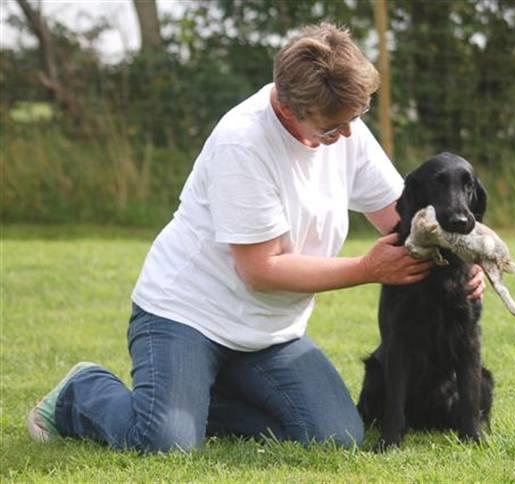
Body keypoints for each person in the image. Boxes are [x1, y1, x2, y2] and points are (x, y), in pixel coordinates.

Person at [26, 22, 485, 452]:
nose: (346, 133)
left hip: (270, 335)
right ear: (288, 108)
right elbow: (260, 270)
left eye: (354, 118)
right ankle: (81, 392)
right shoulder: (242, 143)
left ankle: (195, 398)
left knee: (336, 435)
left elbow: (400, 220)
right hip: (187, 317)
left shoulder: (344, 127)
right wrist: (367, 269)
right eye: (332, 126)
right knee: (163, 441)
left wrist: (466, 256)